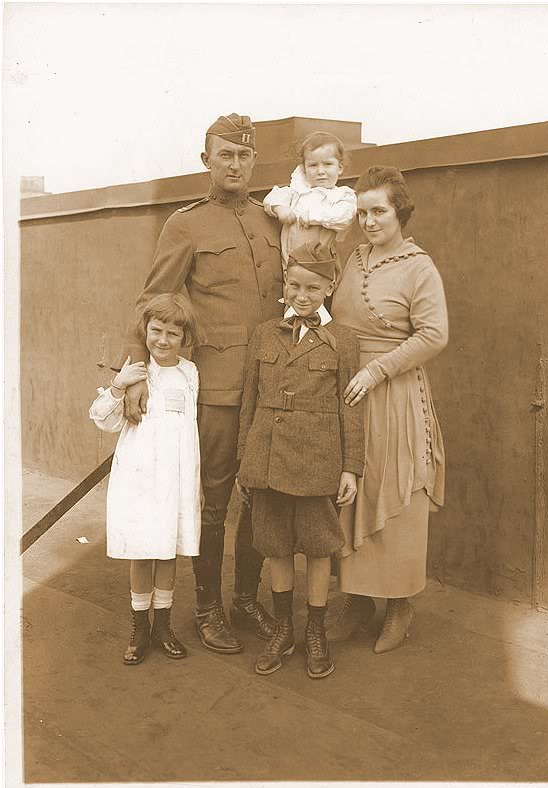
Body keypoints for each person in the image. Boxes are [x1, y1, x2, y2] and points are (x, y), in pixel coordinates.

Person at [118, 114, 284, 653]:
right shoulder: (185, 225)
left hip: (271, 387)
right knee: (214, 502)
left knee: (261, 497)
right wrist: (137, 371)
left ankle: (245, 598)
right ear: (206, 160)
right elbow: (153, 301)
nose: (235, 165)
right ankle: (208, 607)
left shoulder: (271, 221)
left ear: (254, 159)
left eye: (243, 155)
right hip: (215, 390)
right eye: (224, 156)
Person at [327, 165, 448, 654]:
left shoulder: (420, 267)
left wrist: (377, 371)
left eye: (379, 211)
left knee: (395, 493)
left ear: (400, 212)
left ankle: (399, 606)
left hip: (394, 394)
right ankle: (356, 602)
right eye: (362, 212)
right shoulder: (352, 258)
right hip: (346, 392)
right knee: (349, 494)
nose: (370, 221)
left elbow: (434, 335)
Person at [238, 243, 365, 678]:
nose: (302, 294)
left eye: (313, 287)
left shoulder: (344, 341)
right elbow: (249, 402)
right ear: (285, 286)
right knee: (274, 545)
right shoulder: (264, 333)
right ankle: (282, 630)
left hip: (318, 459)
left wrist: (351, 466)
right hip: (267, 456)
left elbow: (351, 406)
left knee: (317, 546)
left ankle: (314, 631)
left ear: (329, 287)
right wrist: (244, 461)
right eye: (294, 285)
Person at [90, 294, 201, 664]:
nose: (163, 340)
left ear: (185, 337)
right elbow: (104, 419)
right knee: (142, 550)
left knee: (167, 551)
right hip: (139, 479)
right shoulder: (134, 372)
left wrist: (194, 483)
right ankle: (140, 628)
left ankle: (163, 626)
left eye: (173, 332)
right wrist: (120, 385)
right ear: (145, 331)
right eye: (156, 331)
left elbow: (191, 432)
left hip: (176, 478)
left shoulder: (189, 373)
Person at [263, 131, 357, 267]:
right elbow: (274, 196)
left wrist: (313, 216)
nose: (320, 171)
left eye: (327, 164)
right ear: (304, 169)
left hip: (319, 266)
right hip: (288, 264)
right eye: (313, 165)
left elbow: (344, 216)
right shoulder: (297, 191)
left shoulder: (341, 196)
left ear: (340, 168)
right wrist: (280, 209)